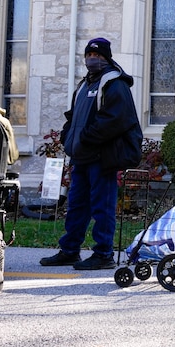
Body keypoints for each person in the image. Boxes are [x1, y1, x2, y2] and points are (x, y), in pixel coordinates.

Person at [41, 37, 142, 270]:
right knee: (77, 206)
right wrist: (67, 135)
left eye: (97, 56)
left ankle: (103, 254)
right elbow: (74, 115)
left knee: (102, 207)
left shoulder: (115, 84)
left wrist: (85, 137)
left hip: (102, 157)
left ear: (106, 58)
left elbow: (115, 120)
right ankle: (69, 250)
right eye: (89, 55)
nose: (92, 59)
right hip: (82, 157)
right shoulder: (85, 84)